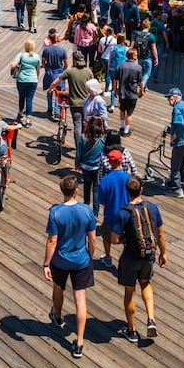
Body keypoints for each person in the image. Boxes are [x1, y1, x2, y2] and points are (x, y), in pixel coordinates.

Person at [43, 174, 97, 359]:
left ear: (62, 191)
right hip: (81, 259)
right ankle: (79, 342)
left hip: (60, 260)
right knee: (80, 298)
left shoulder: (55, 212)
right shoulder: (86, 211)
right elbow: (92, 238)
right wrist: (90, 255)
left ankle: (58, 317)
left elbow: (52, 240)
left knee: (58, 289)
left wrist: (46, 263)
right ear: (76, 191)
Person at [112, 175, 166, 343]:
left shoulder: (123, 212)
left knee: (130, 291)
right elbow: (161, 234)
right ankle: (151, 319)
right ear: (141, 189)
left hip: (130, 256)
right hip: (148, 254)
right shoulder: (153, 208)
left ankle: (132, 330)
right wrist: (163, 253)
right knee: (146, 284)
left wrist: (125, 239)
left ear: (127, 191)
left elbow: (114, 239)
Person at [48, 52, 93, 148]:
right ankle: (86, 145)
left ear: (75, 61)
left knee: (77, 125)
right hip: (86, 103)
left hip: (74, 103)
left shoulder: (70, 71)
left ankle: (78, 147)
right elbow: (93, 85)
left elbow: (57, 81)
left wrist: (50, 88)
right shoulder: (88, 72)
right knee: (86, 125)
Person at [96, 150, 130, 270]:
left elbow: (101, 200)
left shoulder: (105, 180)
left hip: (111, 215)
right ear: (121, 161)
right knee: (128, 239)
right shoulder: (129, 178)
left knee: (106, 237)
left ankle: (108, 257)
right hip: (126, 215)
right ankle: (126, 260)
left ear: (109, 162)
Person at [164, 88, 184, 197]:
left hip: (182, 140)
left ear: (174, 98)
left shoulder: (177, 108)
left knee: (175, 165)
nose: (168, 101)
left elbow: (181, 125)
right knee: (183, 163)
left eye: (169, 98)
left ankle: (176, 189)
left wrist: (174, 135)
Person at [76, 116, 107, 217]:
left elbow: (79, 152)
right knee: (96, 190)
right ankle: (95, 214)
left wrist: (77, 163)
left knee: (86, 188)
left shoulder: (83, 137)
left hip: (86, 167)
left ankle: (86, 208)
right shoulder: (103, 139)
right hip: (98, 168)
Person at [11, 40, 42, 126]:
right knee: (29, 98)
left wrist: (16, 66)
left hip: (22, 80)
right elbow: (38, 70)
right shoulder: (36, 56)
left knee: (22, 96)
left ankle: (20, 113)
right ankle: (28, 119)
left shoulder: (21, 55)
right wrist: (37, 78)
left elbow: (13, 65)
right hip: (32, 80)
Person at [115, 47, 144, 137]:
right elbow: (140, 82)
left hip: (122, 93)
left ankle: (122, 127)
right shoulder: (138, 68)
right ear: (134, 56)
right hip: (132, 94)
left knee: (122, 110)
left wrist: (115, 90)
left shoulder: (120, 66)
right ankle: (126, 131)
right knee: (129, 113)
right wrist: (141, 91)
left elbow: (115, 80)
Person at [41, 29, 69, 120]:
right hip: (59, 72)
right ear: (57, 39)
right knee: (59, 92)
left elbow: (43, 62)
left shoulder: (46, 50)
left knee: (50, 91)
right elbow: (66, 64)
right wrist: (63, 69)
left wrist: (46, 68)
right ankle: (57, 111)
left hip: (50, 72)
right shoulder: (62, 50)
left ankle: (49, 109)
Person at [132, 19, 158, 89]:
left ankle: (145, 87)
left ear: (142, 26)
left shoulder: (136, 34)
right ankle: (142, 85)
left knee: (141, 72)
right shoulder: (151, 36)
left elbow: (132, 46)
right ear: (149, 26)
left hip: (139, 56)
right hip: (148, 57)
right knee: (147, 73)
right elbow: (153, 48)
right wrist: (156, 58)